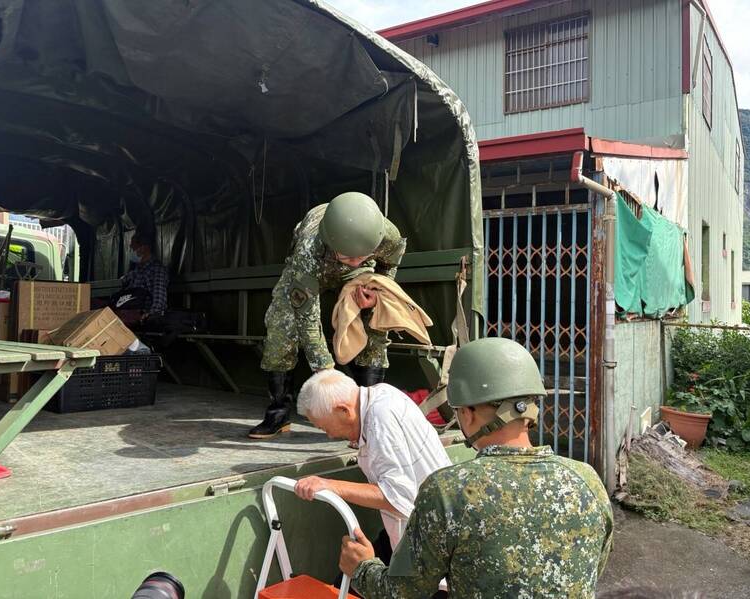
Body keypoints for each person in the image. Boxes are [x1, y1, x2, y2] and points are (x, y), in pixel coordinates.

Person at [339, 337, 614, 598]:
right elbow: (591, 571)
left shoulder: (448, 491)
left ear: (468, 413)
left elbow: (401, 592)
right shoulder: (587, 481)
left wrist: (362, 567)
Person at [249, 192, 406, 439]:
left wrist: (376, 289)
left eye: (361, 257)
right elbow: (307, 317)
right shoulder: (307, 249)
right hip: (311, 270)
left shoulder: (387, 236)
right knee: (282, 326)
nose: (354, 262)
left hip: (355, 275)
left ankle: (368, 421)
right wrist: (326, 371)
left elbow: (389, 265)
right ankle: (277, 415)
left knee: (376, 321)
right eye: (348, 257)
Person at [294, 369, 451, 553]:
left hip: (428, 540)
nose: (329, 435)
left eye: (325, 427)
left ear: (344, 410)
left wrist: (329, 485)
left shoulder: (380, 419)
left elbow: (398, 495)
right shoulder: (381, 394)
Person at [114, 231, 169, 326]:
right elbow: (122, 280)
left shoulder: (157, 270)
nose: (130, 250)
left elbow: (159, 299)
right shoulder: (137, 270)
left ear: (143, 247)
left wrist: (150, 315)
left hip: (140, 314)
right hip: (127, 311)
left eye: (133, 247)